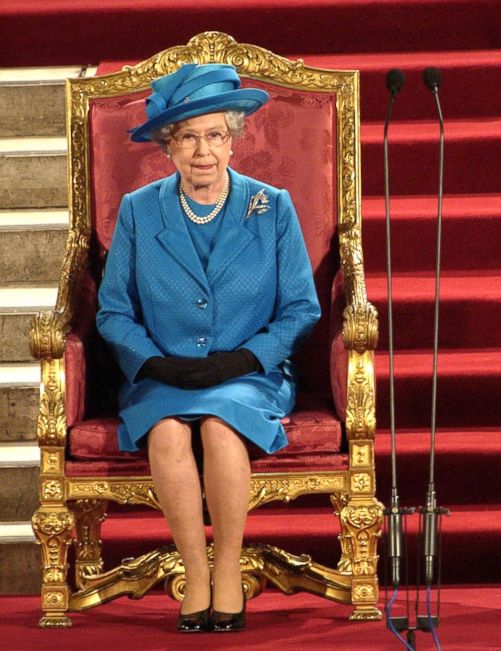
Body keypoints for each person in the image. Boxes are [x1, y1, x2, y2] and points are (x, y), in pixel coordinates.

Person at [96, 63, 321, 633]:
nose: (203, 151)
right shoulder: (138, 211)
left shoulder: (272, 207)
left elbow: (301, 308)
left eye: (215, 134)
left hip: (248, 374)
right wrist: (153, 362)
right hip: (161, 371)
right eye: (189, 136)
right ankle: (194, 574)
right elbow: (113, 310)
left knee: (222, 427)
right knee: (169, 429)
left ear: (234, 138)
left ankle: (226, 571)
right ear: (168, 145)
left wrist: (243, 361)